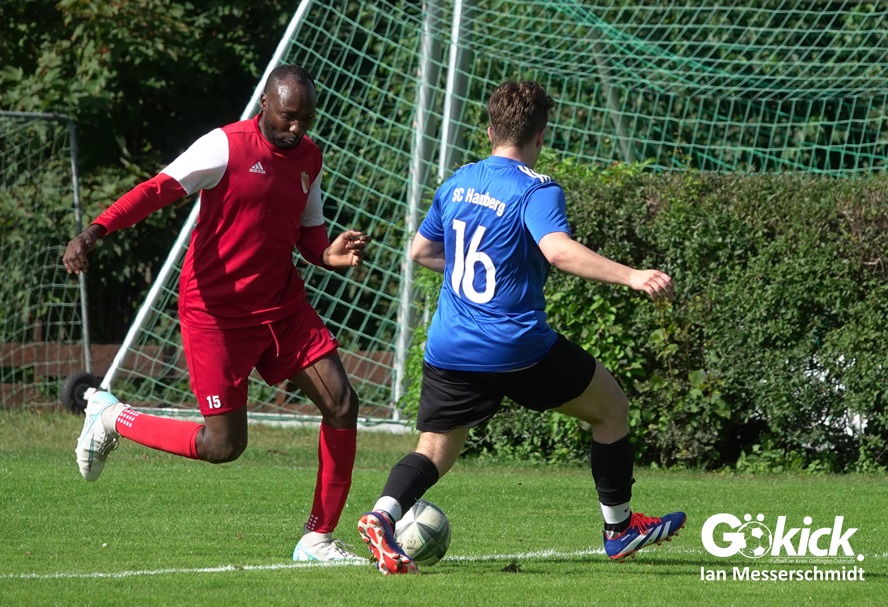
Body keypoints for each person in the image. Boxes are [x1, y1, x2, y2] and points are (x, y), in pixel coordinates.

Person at [356, 80, 686, 575]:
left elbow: (420, 252)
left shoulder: (458, 181)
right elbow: (558, 250)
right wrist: (632, 275)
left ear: (490, 131)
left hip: (450, 345)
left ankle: (382, 516)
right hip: (515, 345)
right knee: (611, 408)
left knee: (434, 450)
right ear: (540, 135)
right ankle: (619, 530)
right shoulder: (536, 188)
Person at [64, 64, 371, 562]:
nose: (297, 128)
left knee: (342, 404)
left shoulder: (309, 157)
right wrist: (96, 230)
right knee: (223, 446)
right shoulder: (225, 146)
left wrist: (327, 254)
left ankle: (317, 538)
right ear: (265, 104)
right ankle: (113, 417)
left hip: (282, 307)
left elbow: (308, 231)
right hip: (216, 314)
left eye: (306, 118)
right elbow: (157, 189)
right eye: (288, 116)